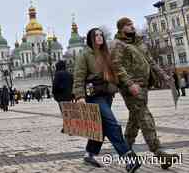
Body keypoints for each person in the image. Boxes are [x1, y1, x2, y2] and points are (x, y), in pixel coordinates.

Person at [111, 17, 179, 169]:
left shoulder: (139, 42)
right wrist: (129, 84)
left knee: (135, 119)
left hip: (143, 86)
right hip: (131, 88)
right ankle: (160, 154)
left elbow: (151, 61)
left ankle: (124, 149)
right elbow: (117, 66)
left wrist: (165, 76)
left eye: (132, 24)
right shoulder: (118, 44)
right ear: (121, 28)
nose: (132, 27)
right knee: (145, 117)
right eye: (129, 25)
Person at [74, 28, 141, 172]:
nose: (99, 37)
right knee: (112, 124)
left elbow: (118, 73)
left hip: (107, 95)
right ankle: (129, 157)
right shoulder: (84, 55)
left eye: (100, 35)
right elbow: (78, 77)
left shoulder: (107, 54)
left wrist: (129, 85)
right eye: (95, 35)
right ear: (90, 38)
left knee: (102, 126)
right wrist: (79, 96)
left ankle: (89, 154)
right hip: (94, 96)